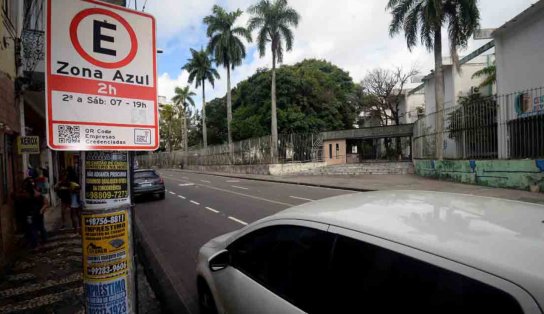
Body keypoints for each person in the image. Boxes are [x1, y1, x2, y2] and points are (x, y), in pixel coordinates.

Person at [21, 178, 48, 248]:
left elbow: (45, 202)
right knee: (39, 227)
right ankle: (42, 239)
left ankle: (36, 243)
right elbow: (45, 202)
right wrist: (41, 210)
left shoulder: (27, 194)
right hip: (37, 213)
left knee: (33, 228)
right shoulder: (36, 192)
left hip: (32, 214)